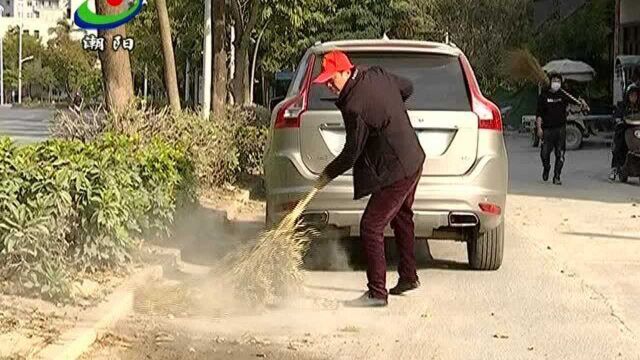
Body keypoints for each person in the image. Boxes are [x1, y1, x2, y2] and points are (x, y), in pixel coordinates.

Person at [313, 51, 426, 307]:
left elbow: (351, 153)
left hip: (397, 169)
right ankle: (408, 276)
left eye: (332, 79)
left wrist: (325, 176)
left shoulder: (355, 105)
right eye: (326, 82)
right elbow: (407, 87)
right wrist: (391, 111)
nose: (330, 85)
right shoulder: (377, 74)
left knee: (371, 226)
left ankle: (377, 293)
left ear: (345, 71)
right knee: (402, 216)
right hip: (413, 157)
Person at [536, 73, 588, 185]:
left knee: (560, 155)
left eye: (558, 81)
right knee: (544, 154)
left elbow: (577, 102)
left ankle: (557, 176)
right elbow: (539, 114)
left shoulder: (563, 94)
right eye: (554, 80)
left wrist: (582, 104)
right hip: (547, 130)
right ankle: (546, 167)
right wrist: (539, 128)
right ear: (550, 82)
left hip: (560, 129)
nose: (556, 83)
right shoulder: (543, 96)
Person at [610, 84, 640, 180]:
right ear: (627, 96)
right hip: (625, 129)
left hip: (637, 130)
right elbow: (616, 116)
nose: (633, 97)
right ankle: (614, 168)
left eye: (635, 95)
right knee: (619, 143)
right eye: (631, 95)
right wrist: (618, 120)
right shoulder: (622, 106)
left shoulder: (639, 106)